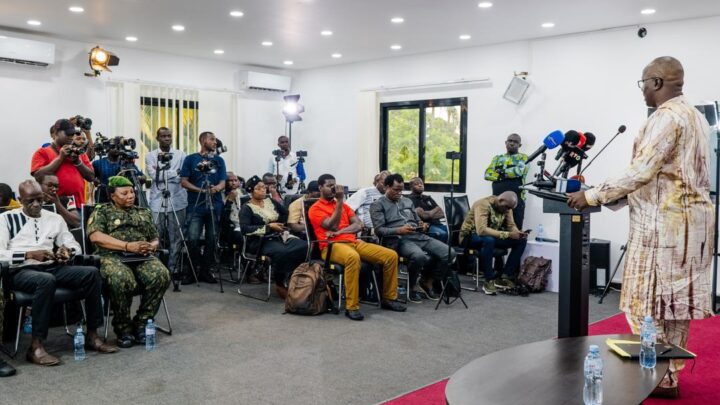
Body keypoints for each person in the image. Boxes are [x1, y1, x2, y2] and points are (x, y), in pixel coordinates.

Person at [567, 56, 714, 399]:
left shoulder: (666, 118)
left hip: (663, 229)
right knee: (675, 307)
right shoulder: (695, 117)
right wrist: (614, 199)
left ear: (658, 82)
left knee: (641, 305)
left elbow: (641, 171)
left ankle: (655, 375)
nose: (643, 90)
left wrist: (591, 195)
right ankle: (669, 378)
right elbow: (665, 176)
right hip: (691, 228)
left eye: (644, 83)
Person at [1, 180, 117, 366]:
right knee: (45, 280)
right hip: (21, 270)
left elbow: (73, 244)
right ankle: (36, 346)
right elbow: (0, 253)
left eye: (39, 199)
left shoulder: (54, 218)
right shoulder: (6, 219)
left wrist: (67, 252)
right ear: (20, 200)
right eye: (30, 201)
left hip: (52, 266)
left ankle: (93, 334)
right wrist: (29, 254)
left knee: (92, 273)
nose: (37, 204)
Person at [87, 176, 171, 348]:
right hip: (111, 255)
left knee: (161, 274)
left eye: (132, 192)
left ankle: (143, 322)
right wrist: (126, 246)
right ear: (112, 196)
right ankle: (123, 327)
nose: (130, 196)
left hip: (141, 255)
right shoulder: (102, 211)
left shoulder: (143, 212)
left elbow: (155, 237)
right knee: (121, 278)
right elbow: (96, 236)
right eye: (124, 193)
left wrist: (151, 246)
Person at [308, 174, 406, 321]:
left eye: (334, 185)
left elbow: (359, 224)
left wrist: (340, 231)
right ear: (320, 187)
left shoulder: (345, 206)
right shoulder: (315, 208)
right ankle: (351, 307)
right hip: (330, 246)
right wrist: (340, 201)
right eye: (329, 186)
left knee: (390, 255)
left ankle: (389, 298)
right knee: (352, 258)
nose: (333, 188)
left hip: (353, 242)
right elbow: (331, 225)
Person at [371, 174, 456, 303]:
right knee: (419, 256)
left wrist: (422, 224)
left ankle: (428, 281)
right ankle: (412, 286)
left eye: (401, 190)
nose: (399, 193)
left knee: (449, 253)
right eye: (395, 190)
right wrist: (399, 230)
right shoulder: (378, 205)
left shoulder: (407, 201)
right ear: (386, 187)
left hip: (417, 235)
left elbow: (417, 220)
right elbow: (379, 230)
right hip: (399, 238)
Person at [238, 176, 308, 298]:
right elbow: (245, 229)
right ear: (251, 191)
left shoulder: (270, 201)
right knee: (282, 252)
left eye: (264, 188)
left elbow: (285, 212)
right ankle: (280, 284)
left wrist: (281, 224)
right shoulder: (247, 208)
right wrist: (269, 227)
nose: (263, 190)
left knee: (304, 246)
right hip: (259, 241)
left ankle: (295, 279)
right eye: (258, 188)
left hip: (278, 236)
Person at [459, 191, 528, 296]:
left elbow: (511, 225)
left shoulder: (507, 206)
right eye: (506, 207)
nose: (508, 210)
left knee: (521, 241)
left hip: (489, 237)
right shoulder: (482, 204)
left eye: (510, 208)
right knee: (489, 240)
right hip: (470, 237)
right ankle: (488, 280)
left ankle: (505, 276)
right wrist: (508, 234)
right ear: (500, 200)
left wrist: (517, 233)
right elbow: (481, 230)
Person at [181, 131, 227, 284]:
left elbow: (223, 182)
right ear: (202, 141)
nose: (215, 142)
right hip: (195, 204)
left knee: (212, 240)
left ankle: (206, 271)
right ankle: (193, 271)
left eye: (215, 139)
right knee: (192, 239)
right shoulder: (191, 159)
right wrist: (200, 190)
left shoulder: (219, 160)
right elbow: (184, 181)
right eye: (212, 139)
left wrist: (216, 188)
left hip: (215, 204)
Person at [145, 127, 188, 283]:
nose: (167, 138)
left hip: (177, 201)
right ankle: (156, 269)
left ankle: (173, 269)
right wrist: (173, 173)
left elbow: (182, 175)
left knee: (175, 238)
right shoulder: (150, 156)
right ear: (158, 138)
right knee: (155, 236)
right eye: (163, 136)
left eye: (169, 135)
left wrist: (165, 174)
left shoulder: (181, 155)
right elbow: (154, 176)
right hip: (157, 201)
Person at [31, 119, 95, 206]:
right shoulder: (42, 152)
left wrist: (78, 162)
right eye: (68, 134)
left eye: (72, 134)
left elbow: (91, 177)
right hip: (53, 205)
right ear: (56, 133)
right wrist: (60, 158)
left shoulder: (79, 153)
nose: (71, 137)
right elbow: (38, 176)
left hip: (78, 205)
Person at [484, 133, 528, 228]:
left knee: (514, 229)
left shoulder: (523, 158)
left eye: (515, 142)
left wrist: (499, 173)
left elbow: (518, 171)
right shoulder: (497, 158)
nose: (512, 143)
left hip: (516, 202)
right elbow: (487, 174)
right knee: (496, 228)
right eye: (510, 141)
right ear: (505, 142)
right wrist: (505, 174)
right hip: (497, 201)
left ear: (519, 145)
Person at [407, 177, 449, 243]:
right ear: (411, 187)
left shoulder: (428, 198)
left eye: (421, 183)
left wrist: (428, 214)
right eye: (416, 184)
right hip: (427, 226)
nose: (420, 185)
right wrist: (436, 209)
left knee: (453, 231)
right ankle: (438, 252)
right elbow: (424, 216)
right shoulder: (409, 199)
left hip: (437, 224)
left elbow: (442, 214)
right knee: (442, 234)